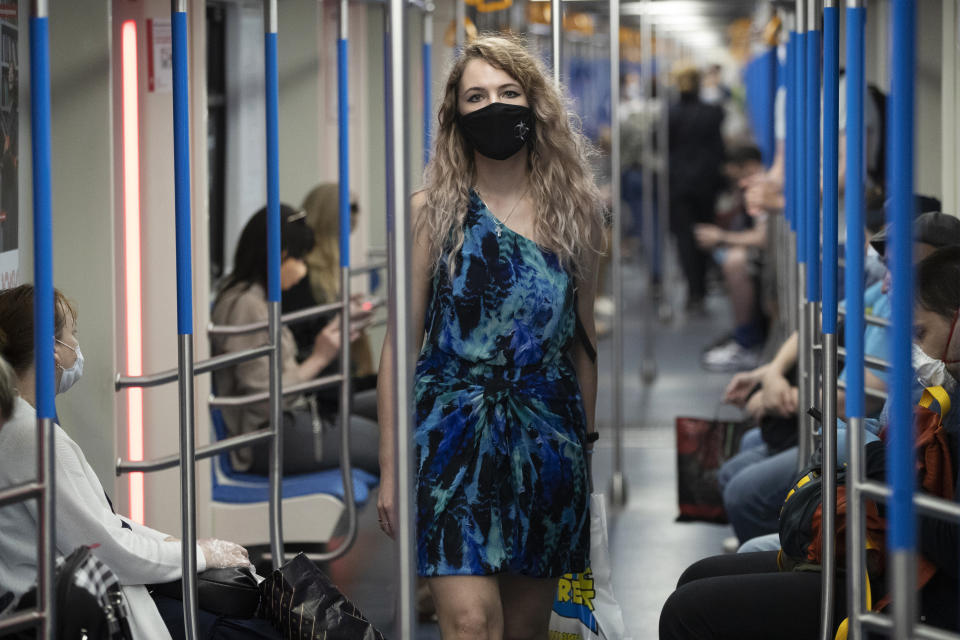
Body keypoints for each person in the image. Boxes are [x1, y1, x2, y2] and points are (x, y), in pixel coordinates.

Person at [376, 36, 604, 639]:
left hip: (546, 441)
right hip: (451, 435)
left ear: (536, 105)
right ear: (456, 115)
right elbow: (400, 347)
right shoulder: (431, 212)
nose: (494, 107)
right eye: (476, 96)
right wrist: (392, 469)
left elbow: (581, 343)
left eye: (508, 93)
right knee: (473, 623)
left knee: (525, 630)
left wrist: (583, 452)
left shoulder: (577, 210)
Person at [659, 245, 960, 639]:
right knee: (697, 575)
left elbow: (950, 541)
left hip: (912, 591)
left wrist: (871, 460)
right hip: (883, 555)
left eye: (921, 333)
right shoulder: (941, 392)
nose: (913, 351)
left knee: (689, 610)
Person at [0, 285, 280, 639]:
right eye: (73, 334)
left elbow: (96, 524)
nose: (77, 346)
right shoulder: (35, 438)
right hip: (68, 610)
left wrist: (172, 545)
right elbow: (109, 551)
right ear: (54, 350)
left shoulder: (16, 423)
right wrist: (202, 554)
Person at [211, 205, 379, 476]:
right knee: (389, 448)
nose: (302, 269)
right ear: (279, 256)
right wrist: (320, 357)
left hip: (285, 419)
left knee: (391, 427)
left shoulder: (258, 300)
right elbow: (265, 400)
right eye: (299, 260)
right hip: (263, 436)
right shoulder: (246, 306)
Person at [696, 145, 769, 371]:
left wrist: (721, 237)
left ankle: (747, 342)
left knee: (735, 262)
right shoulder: (750, 189)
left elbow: (762, 237)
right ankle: (742, 334)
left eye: (738, 176)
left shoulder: (763, 187)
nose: (738, 183)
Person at [668, 65, 726, 313]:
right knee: (705, 233)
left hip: (679, 183)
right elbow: (719, 148)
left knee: (684, 238)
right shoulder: (713, 113)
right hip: (706, 183)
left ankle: (693, 290)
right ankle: (701, 287)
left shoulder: (670, 114)